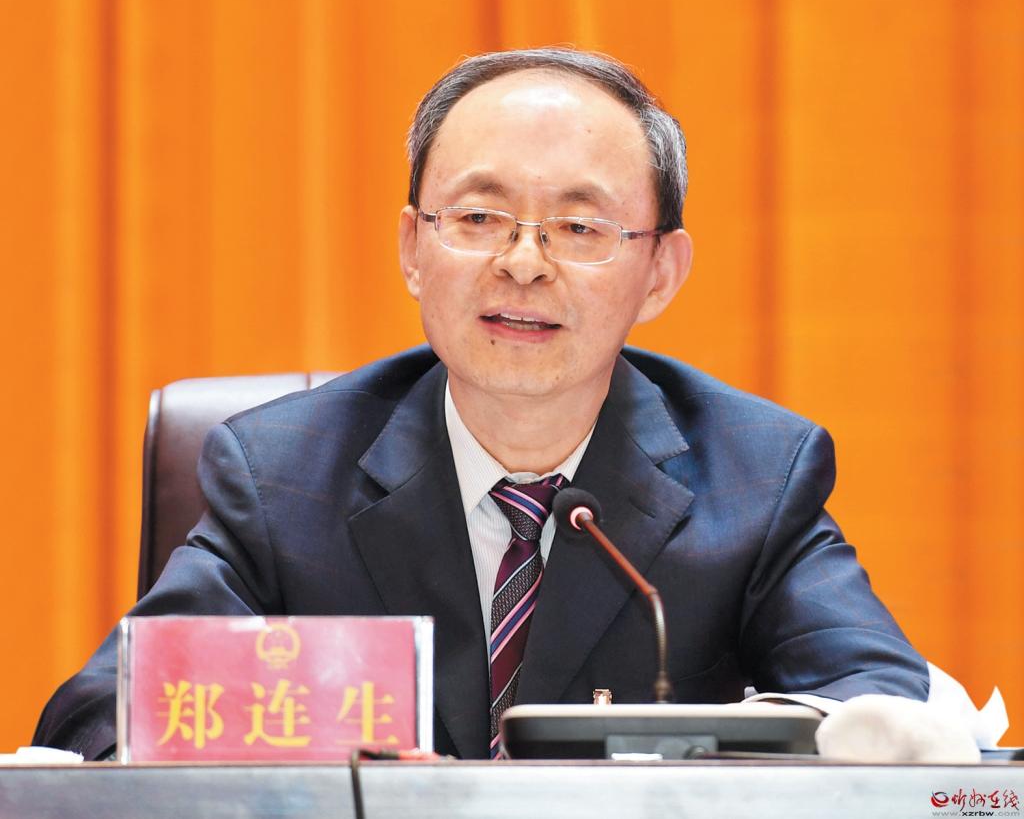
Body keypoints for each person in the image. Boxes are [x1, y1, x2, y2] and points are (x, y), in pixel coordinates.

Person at [35, 48, 928, 761]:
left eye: (579, 228)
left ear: (661, 271)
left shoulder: (757, 477)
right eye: (477, 218)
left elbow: (885, 708)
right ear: (412, 248)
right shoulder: (282, 477)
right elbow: (102, 719)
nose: (523, 263)